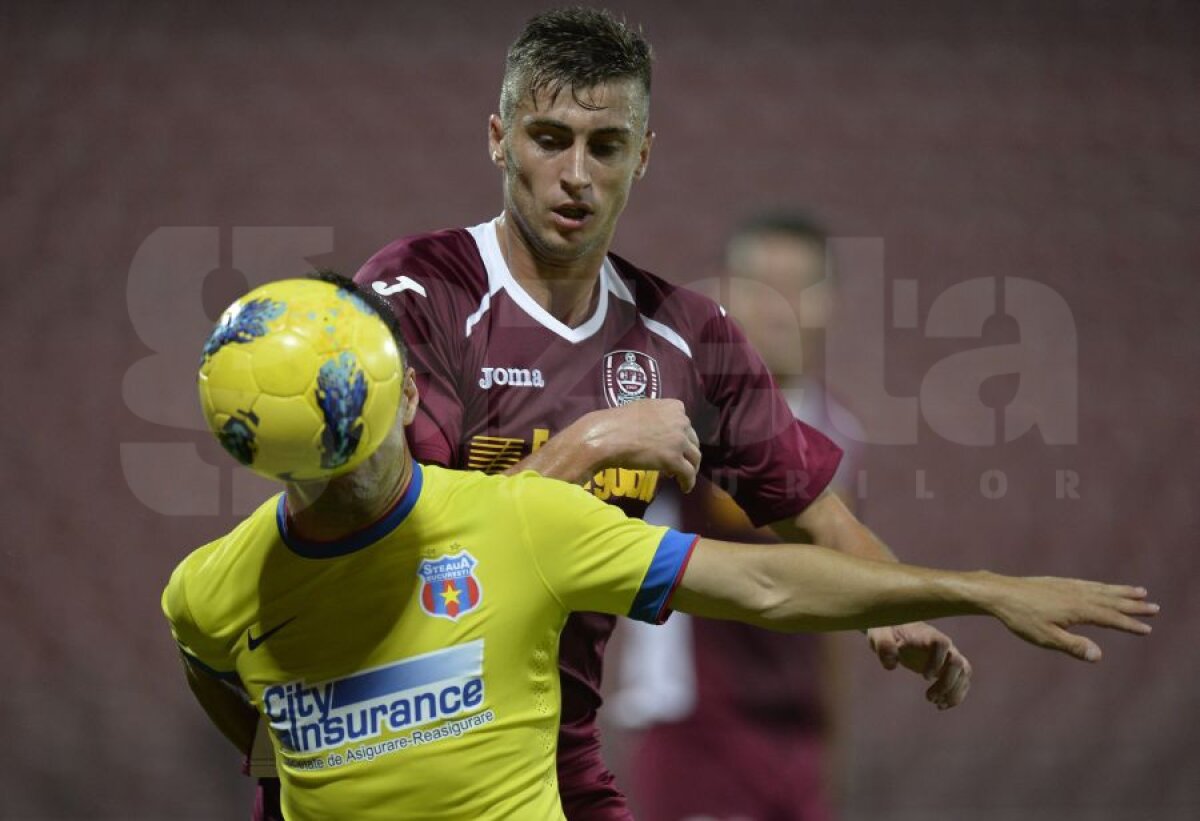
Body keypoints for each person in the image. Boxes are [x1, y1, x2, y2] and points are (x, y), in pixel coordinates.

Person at [290, 8, 968, 820]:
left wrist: (896, 604)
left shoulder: (686, 338)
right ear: (500, 140)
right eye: (550, 138)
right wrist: (592, 443)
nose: (577, 173)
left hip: (552, 745)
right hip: (389, 730)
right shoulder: (418, 293)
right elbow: (417, 551)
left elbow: (814, 513)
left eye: (605, 146)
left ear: (642, 156)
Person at [168, 273, 1157, 821]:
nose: (360, 469)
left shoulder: (521, 519)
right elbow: (211, 661)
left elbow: (768, 578)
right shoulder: (212, 588)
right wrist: (284, 759)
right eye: (329, 462)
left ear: (405, 398)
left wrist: (974, 587)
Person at [612, 212, 862, 821]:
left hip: (795, 726)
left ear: (829, 305)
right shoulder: (682, 410)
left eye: (798, 287)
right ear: (724, 297)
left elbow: (839, 596)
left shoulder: (840, 432)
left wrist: (830, 725)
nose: (777, 308)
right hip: (699, 726)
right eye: (758, 285)